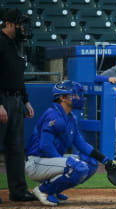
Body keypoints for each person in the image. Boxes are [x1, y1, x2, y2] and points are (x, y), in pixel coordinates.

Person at [25, 80, 116, 206]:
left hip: (49, 161)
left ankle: (55, 190)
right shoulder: (53, 115)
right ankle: (44, 190)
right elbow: (45, 146)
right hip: (36, 162)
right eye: (73, 95)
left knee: (90, 163)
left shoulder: (71, 118)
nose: (78, 98)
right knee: (77, 167)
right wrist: (66, 164)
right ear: (62, 98)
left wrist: (106, 160)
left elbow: (82, 144)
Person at [0, 8, 37, 203]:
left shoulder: (16, 45)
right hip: (2, 100)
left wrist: (25, 100)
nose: (23, 27)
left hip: (15, 100)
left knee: (16, 148)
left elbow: (18, 77)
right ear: (8, 23)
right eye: (19, 24)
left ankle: (19, 191)